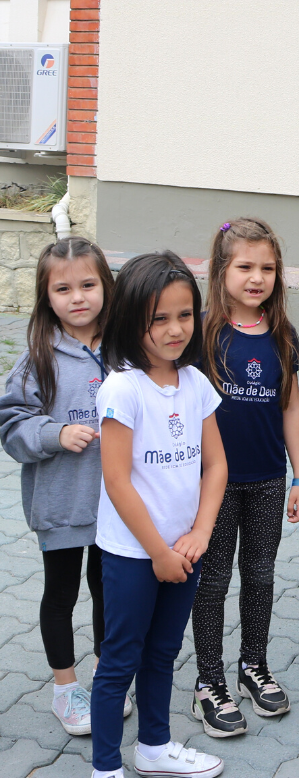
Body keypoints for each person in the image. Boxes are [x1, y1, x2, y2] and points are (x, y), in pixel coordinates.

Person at [90, 253, 229, 778]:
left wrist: (200, 532)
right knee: (120, 657)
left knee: (164, 651)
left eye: (185, 315)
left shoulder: (195, 382)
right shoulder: (122, 388)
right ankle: (106, 768)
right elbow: (117, 481)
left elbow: (216, 465)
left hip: (185, 550)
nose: (176, 329)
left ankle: (154, 748)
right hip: (134, 552)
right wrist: (158, 552)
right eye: (159, 319)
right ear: (131, 320)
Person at [189, 218, 299, 737]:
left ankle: (252, 666)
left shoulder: (282, 334)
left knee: (260, 576)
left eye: (268, 268)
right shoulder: (200, 333)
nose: (257, 278)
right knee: (212, 582)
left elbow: (291, 408)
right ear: (221, 270)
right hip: (211, 485)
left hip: (266, 481)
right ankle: (208, 681)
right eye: (245, 266)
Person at [0, 238, 119, 738]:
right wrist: (55, 433)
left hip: (117, 505)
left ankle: (105, 678)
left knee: (108, 591)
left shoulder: (126, 349)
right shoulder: (37, 358)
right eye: (63, 288)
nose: (78, 297)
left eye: (88, 285)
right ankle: (66, 688)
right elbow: (11, 424)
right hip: (62, 503)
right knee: (61, 593)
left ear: (106, 286)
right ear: (46, 297)